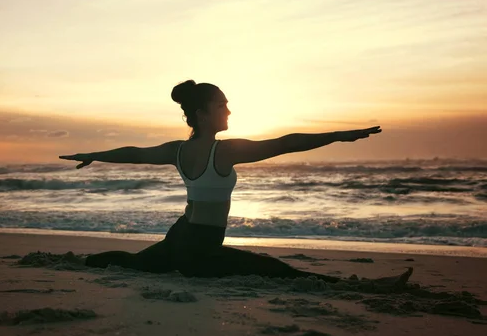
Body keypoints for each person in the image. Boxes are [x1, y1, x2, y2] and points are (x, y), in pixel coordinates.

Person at [60, 80, 412, 285]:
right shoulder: (224, 151)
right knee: (272, 271)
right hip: (198, 247)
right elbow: (284, 143)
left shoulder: (177, 150)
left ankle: (77, 261)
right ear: (202, 112)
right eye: (222, 105)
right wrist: (337, 135)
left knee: (135, 263)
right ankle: (367, 286)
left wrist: (95, 154)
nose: (228, 111)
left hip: (181, 236)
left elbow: (134, 153)